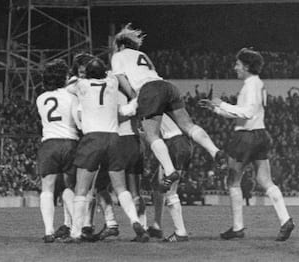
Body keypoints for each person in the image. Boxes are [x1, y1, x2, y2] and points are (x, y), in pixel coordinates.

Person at [111, 24, 226, 193]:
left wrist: (135, 96)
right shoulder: (142, 54)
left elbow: (121, 78)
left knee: (151, 135)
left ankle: (170, 171)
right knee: (188, 125)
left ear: (120, 45)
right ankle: (215, 151)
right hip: (168, 86)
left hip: (148, 90)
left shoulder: (118, 55)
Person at [199, 48, 295, 241]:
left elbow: (247, 113)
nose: (235, 68)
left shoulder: (251, 86)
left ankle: (238, 227)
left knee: (232, 181)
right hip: (259, 134)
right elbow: (245, 113)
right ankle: (285, 220)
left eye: (238, 64)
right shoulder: (257, 84)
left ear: (247, 66)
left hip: (245, 137)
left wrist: (222, 104)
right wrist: (216, 109)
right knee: (265, 181)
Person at [64, 57, 149, 243]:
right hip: (114, 138)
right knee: (121, 188)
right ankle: (136, 222)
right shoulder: (112, 83)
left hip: (92, 138)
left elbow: (68, 85)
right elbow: (113, 74)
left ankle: (76, 232)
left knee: (81, 189)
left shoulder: (81, 86)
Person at [36, 59, 79, 243]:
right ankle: (75, 227)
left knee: (47, 188)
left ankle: (48, 231)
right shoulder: (71, 96)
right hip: (70, 142)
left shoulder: (41, 98)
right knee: (70, 187)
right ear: (64, 77)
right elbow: (78, 120)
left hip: (49, 143)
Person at [54, 52, 95, 241]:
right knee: (70, 183)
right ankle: (69, 223)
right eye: (81, 71)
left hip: (91, 136)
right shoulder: (72, 85)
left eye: (86, 71)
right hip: (75, 136)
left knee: (88, 186)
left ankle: (86, 224)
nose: (84, 74)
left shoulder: (95, 84)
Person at [148, 113, 192, 242]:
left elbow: (150, 134)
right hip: (180, 142)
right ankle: (157, 225)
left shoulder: (146, 104)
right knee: (156, 184)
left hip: (174, 143)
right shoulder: (157, 103)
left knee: (170, 190)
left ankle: (180, 232)